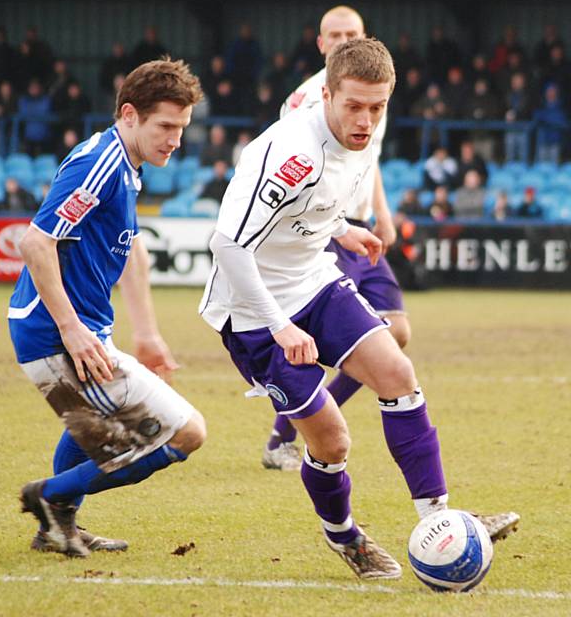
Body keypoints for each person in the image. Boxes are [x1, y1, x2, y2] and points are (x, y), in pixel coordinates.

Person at [200, 38, 519, 580]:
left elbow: (312, 209)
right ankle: (343, 534)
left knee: (397, 370)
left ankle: (439, 522)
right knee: (332, 439)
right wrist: (280, 328)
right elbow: (228, 246)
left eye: (378, 107)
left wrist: (343, 229)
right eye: (354, 105)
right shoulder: (291, 153)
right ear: (326, 95)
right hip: (254, 314)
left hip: (315, 281)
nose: (366, 119)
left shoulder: (362, 138)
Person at [9, 57, 206, 558]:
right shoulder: (99, 163)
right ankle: (49, 498)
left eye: (181, 129)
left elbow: (132, 250)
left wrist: (147, 332)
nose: (175, 139)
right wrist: (72, 330)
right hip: (56, 333)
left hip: (72, 330)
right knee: (187, 433)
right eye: (165, 126)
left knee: (89, 431)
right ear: (129, 114)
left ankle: (58, 527)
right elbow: (36, 243)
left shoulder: (126, 166)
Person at [271, 6, 408, 472]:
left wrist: (381, 215)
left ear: (364, 37)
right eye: (335, 34)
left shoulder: (369, 89)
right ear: (321, 42)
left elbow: (369, 158)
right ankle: (285, 436)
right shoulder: (314, 97)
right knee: (323, 341)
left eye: (352, 33)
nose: (343, 39)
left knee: (397, 331)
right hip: (329, 226)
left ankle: (290, 430)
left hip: (359, 227)